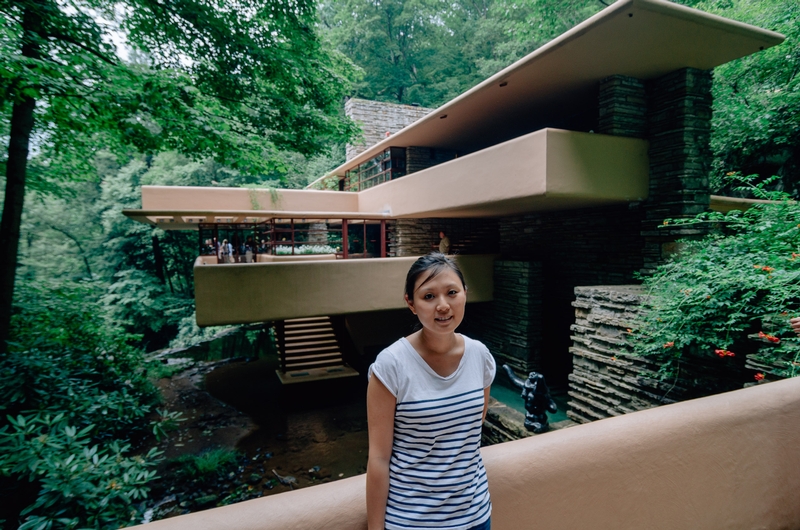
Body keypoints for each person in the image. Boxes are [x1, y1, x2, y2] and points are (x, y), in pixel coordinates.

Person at [367, 252, 495, 530]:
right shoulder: (391, 366)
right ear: (410, 304)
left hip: (475, 517)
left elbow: (472, 431)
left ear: (465, 294)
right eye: (428, 297)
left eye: (452, 292)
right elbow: (378, 458)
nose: (443, 306)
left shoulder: (480, 356)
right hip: (413, 522)